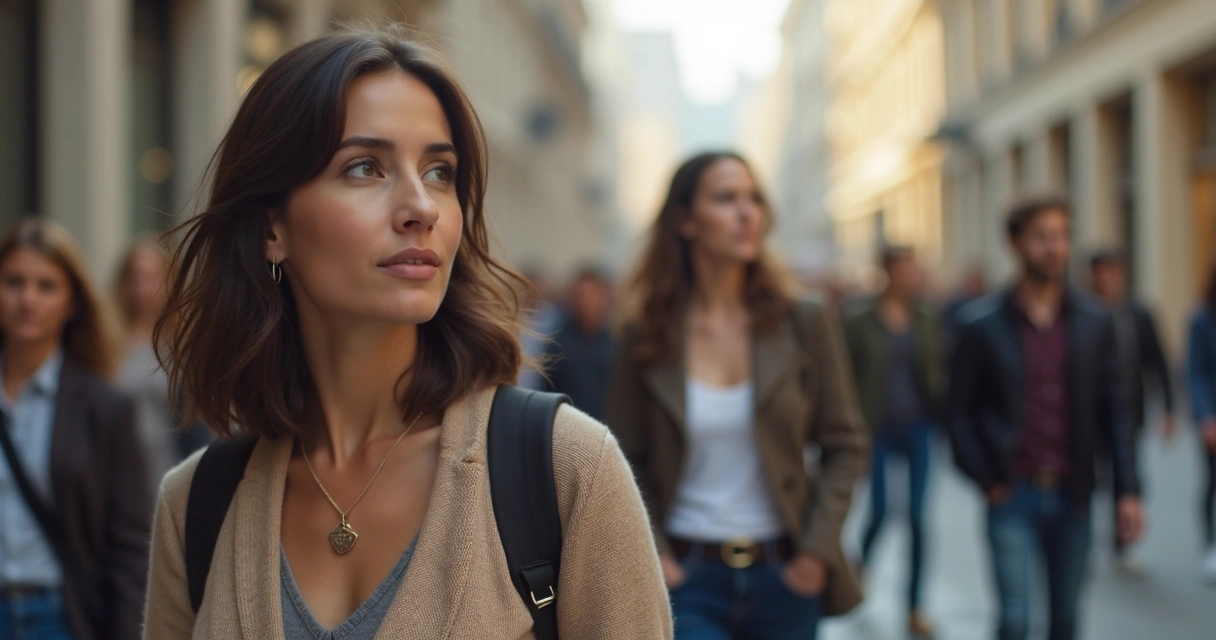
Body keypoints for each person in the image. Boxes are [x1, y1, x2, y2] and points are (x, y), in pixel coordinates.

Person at [143, 27, 671, 639]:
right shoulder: (197, 506)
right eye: (365, 167)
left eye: (440, 171)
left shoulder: (566, 470)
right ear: (271, 230)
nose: (422, 206)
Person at [607, 151, 868, 639]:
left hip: (785, 572)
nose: (747, 213)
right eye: (726, 199)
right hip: (687, 576)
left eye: (754, 199)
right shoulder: (647, 331)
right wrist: (657, 553)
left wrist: (815, 553)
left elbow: (845, 445)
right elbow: (623, 457)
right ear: (685, 220)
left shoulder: (803, 320)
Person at [948, 195, 1143, 640]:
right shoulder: (982, 325)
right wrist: (985, 477)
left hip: (1073, 495)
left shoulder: (1095, 322)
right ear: (1015, 243)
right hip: (1011, 491)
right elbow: (958, 412)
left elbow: (1117, 411)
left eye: (1061, 236)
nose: (1054, 247)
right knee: (1014, 620)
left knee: (1066, 620)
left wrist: (1128, 491)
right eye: (1041, 237)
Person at [0, 219, 151, 640]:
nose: (28, 299)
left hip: (60, 618)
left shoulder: (106, 409)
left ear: (72, 303)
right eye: (14, 282)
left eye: (46, 286)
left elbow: (129, 548)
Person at [844, 246, 943, 638]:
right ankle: (858, 576)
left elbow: (938, 368)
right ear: (887, 271)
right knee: (881, 511)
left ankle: (915, 606)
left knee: (918, 518)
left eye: (914, 268)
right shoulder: (859, 319)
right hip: (877, 428)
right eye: (904, 268)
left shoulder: (926, 317)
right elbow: (846, 377)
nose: (912, 275)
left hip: (918, 426)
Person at [1088, 248, 1175, 576]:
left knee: (1126, 474)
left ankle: (1122, 542)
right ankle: (1083, 539)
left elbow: (1159, 362)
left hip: (1129, 409)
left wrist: (1168, 408)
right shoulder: (1083, 313)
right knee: (1090, 476)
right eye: (1102, 271)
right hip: (1090, 414)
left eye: (1113, 270)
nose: (1107, 278)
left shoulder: (1138, 314)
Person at [113, 239, 212, 484]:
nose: (141, 287)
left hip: (168, 465)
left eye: (150, 277)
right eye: (135, 277)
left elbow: (196, 421)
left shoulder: (183, 342)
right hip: (117, 465)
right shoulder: (110, 340)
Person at [542, 267, 615, 422]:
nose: (586, 303)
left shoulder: (615, 343)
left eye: (592, 296)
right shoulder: (558, 344)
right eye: (581, 296)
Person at [1186, 262, 1216, 584]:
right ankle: (1210, 545)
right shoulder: (1202, 319)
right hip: (1213, 417)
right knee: (1212, 482)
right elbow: (1195, 373)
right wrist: (1206, 417)